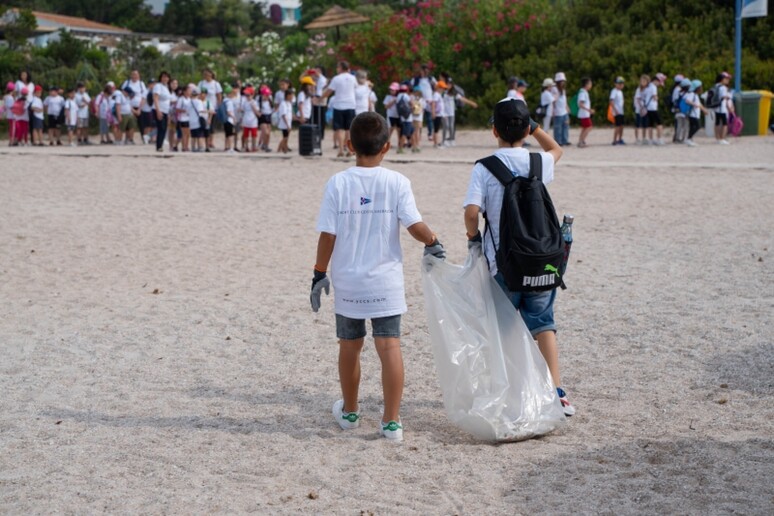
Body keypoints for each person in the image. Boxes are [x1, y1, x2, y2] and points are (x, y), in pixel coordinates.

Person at [310, 111, 446, 442]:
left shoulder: (338, 183)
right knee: (389, 346)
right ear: (387, 147)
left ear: (348, 144)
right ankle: (391, 422)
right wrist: (434, 242)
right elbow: (414, 224)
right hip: (385, 282)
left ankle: (351, 412)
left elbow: (328, 235)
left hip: (349, 282)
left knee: (350, 345)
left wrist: (318, 274)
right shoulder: (397, 182)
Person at [463, 98, 575, 417]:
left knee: (504, 330)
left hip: (504, 265)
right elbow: (558, 149)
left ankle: (513, 393)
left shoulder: (485, 167)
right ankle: (556, 393)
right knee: (544, 326)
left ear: (493, 130)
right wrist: (535, 127)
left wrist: (473, 240)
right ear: (527, 129)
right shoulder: (539, 163)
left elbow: (472, 213)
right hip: (541, 260)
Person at [323, 61, 358, 158]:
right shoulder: (353, 78)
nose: (337, 69)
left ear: (341, 68)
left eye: (338, 67)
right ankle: (350, 150)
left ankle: (341, 150)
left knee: (339, 129)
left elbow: (329, 91)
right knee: (349, 129)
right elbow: (356, 88)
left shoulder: (336, 78)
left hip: (339, 105)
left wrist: (320, 98)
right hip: (351, 105)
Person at [198, 68, 222, 151]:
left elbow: (219, 95)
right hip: (203, 106)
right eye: (205, 74)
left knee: (211, 125)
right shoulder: (201, 83)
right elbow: (198, 94)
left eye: (208, 74)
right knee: (203, 124)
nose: (206, 76)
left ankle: (211, 141)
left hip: (212, 106)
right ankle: (204, 142)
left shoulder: (215, 84)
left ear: (211, 74)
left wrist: (219, 105)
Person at [684, 80, 709, 147]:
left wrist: (704, 110)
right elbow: (687, 100)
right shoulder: (691, 94)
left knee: (693, 127)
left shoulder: (695, 95)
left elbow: (699, 104)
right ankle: (689, 138)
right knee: (697, 126)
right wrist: (694, 104)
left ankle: (690, 139)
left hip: (695, 114)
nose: (701, 88)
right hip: (693, 114)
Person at [644, 72, 666, 145]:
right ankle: (659, 139)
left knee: (650, 124)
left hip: (648, 108)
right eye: (660, 82)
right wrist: (657, 98)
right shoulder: (653, 87)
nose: (659, 84)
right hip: (653, 108)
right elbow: (655, 96)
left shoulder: (648, 85)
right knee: (659, 123)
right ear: (657, 80)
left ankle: (650, 140)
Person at [713, 71, 734, 145]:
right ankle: (722, 138)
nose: (728, 80)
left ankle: (717, 138)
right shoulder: (723, 88)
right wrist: (729, 107)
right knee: (725, 124)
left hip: (716, 107)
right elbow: (724, 98)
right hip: (722, 108)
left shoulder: (716, 85)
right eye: (727, 78)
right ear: (722, 79)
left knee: (717, 123)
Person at [152, 72, 172, 152]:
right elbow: (155, 98)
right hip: (159, 109)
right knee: (161, 127)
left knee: (164, 128)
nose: (165, 79)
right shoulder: (158, 86)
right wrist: (158, 110)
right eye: (164, 77)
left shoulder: (167, 87)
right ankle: (159, 146)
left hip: (165, 110)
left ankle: (160, 144)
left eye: (167, 77)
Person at [552, 72, 570, 146]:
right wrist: (553, 110)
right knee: (558, 128)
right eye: (561, 81)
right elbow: (553, 100)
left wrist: (567, 108)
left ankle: (565, 140)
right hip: (557, 112)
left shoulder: (563, 90)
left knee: (565, 126)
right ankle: (558, 141)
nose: (563, 82)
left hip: (564, 111)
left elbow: (564, 100)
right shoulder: (554, 89)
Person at [576, 77, 594, 148]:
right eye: (590, 83)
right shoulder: (583, 93)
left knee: (585, 128)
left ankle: (581, 141)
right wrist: (589, 110)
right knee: (589, 127)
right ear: (586, 84)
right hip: (584, 114)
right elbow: (581, 104)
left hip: (584, 113)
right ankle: (581, 141)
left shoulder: (583, 92)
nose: (591, 85)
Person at [672, 78, 691, 144]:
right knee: (686, 125)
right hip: (685, 112)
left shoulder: (679, 92)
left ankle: (677, 138)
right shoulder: (687, 94)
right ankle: (684, 138)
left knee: (679, 125)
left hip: (678, 111)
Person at [276, 87, 294, 153]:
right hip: (284, 123)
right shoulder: (283, 103)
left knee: (286, 137)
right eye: (291, 95)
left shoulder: (289, 104)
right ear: (287, 95)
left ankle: (284, 148)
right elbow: (283, 115)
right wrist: (287, 125)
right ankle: (279, 149)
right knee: (285, 137)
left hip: (289, 122)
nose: (292, 97)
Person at [609, 76, 626, 145]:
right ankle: (614, 140)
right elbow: (611, 101)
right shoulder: (614, 91)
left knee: (621, 126)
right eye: (619, 83)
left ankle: (620, 139)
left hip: (621, 111)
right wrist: (615, 110)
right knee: (617, 126)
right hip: (617, 112)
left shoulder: (620, 92)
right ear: (615, 84)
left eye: (622, 83)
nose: (621, 85)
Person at [634, 74, 649, 145]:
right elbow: (637, 99)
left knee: (644, 124)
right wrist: (640, 107)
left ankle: (644, 137)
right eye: (642, 81)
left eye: (644, 81)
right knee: (637, 124)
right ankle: (637, 138)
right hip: (639, 109)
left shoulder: (648, 89)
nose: (643, 82)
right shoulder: (638, 89)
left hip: (645, 109)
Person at [176, 84, 192, 152]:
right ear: (184, 91)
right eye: (188, 91)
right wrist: (184, 110)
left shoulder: (190, 99)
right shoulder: (181, 99)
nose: (190, 92)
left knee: (188, 133)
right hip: (182, 118)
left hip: (189, 118)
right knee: (184, 133)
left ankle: (187, 146)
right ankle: (183, 147)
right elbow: (177, 109)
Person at [257, 85, 273, 152]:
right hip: (262, 116)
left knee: (268, 133)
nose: (267, 96)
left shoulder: (270, 98)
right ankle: (262, 144)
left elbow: (272, 107)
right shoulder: (259, 99)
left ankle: (266, 145)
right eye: (266, 95)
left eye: (268, 95)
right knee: (265, 132)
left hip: (269, 116)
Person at [410, 85, 425, 153]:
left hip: (415, 117)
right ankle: (416, 145)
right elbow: (423, 109)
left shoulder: (412, 98)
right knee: (416, 132)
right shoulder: (421, 99)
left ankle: (415, 145)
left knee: (415, 132)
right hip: (417, 117)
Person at [222, 84, 237, 152]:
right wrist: (234, 118)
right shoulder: (229, 102)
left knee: (227, 134)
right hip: (229, 119)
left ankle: (226, 147)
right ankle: (230, 148)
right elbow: (229, 112)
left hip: (225, 120)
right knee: (230, 135)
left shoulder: (224, 100)